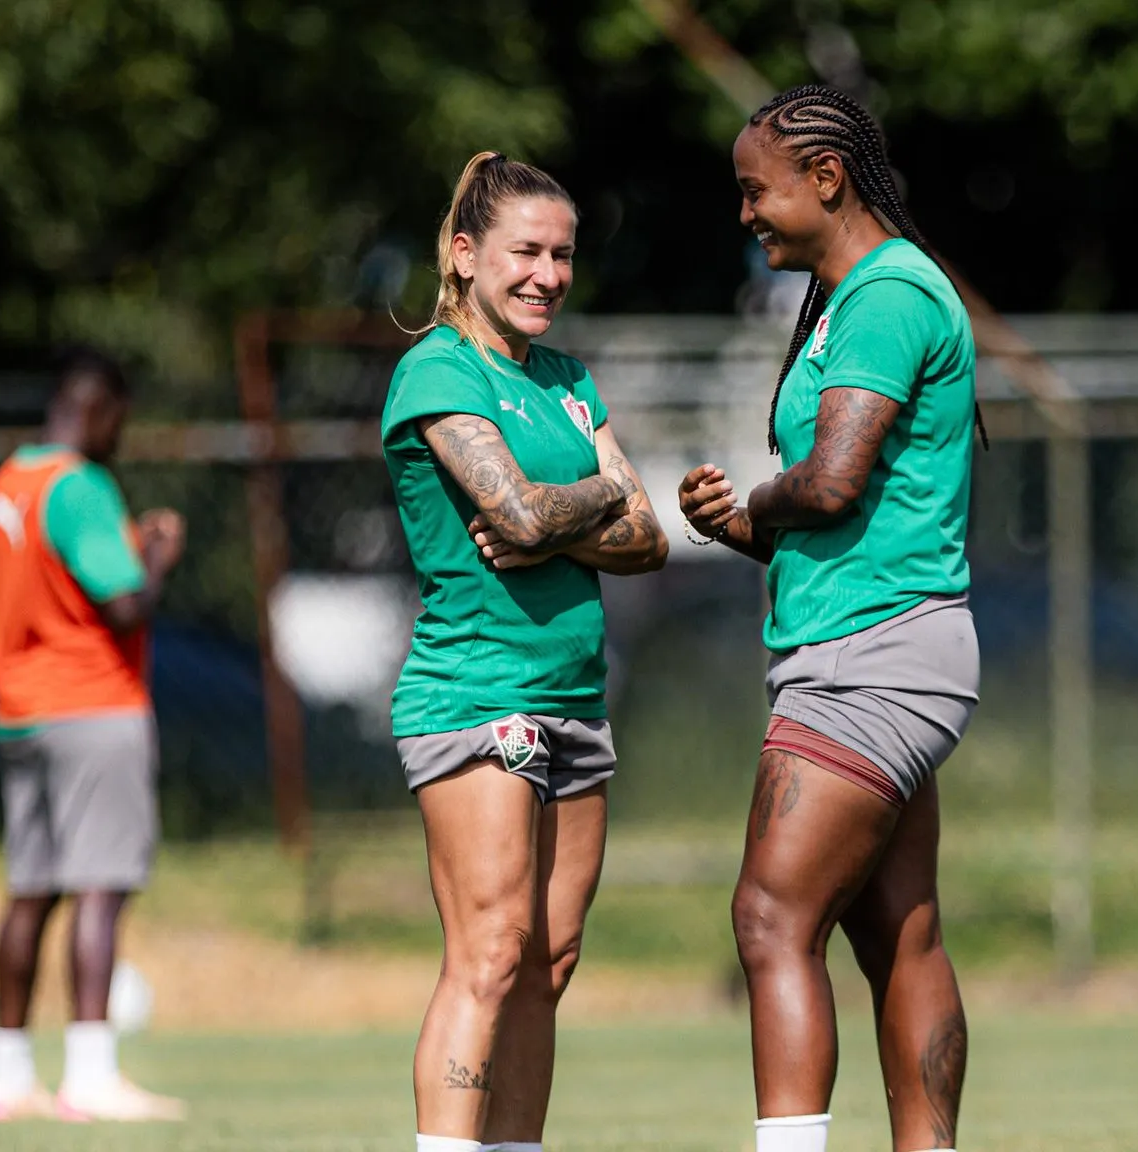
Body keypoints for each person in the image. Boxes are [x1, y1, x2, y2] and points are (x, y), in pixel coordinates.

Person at [678, 84, 981, 1152]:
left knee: (768, 919)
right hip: (878, 637)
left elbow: (835, 480)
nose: (745, 214)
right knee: (896, 934)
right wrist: (742, 523)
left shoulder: (889, 295)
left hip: (872, 653)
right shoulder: (848, 299)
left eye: (755, 192)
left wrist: (763, 498)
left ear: (826, 177)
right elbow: (829, 509)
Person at [382, 152, 669, 1152]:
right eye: (525, 253)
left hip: (574, 698)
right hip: (475, 696)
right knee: (491, 952)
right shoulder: (436, 369)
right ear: (464, 257)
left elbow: (650, 537)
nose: (548, 274)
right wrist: (591, 496)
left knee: (550, 958)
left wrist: (567, 514)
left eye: (563, 255)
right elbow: (514, 507)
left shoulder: (564, 377)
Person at [0, 347, 188, 1123]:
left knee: (31, 892)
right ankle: (91, 1073)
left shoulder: (8, 482)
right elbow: (125, 603)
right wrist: (157, 556)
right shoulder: (80, 485)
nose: (120, 437)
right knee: (100, 888)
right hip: (92, 707)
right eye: (120, 420)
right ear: (95, 407)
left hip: (19, 711)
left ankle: (7, 1075)